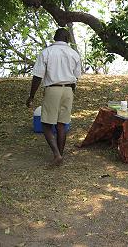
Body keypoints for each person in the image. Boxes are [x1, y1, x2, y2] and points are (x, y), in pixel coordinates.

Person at [26, 28, 81, 166]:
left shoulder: (46, 52)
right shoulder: (74, 54)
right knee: (62, 124)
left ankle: (57, 155)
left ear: (54, 38)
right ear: (67, 39)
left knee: (46, 124)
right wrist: (71, 91)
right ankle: (60, 155)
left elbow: (38, 76)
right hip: (68, 89)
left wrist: (31, 96)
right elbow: (76, 76)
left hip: (53, 89)